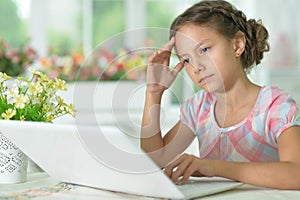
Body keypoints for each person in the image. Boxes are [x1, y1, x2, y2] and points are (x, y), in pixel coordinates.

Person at [140, 0, 300, 190]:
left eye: (205, 49)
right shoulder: (199, 108)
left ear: (237, 45)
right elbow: (155, 160)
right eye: (186, 59)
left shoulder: (275, 105)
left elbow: (296, 174)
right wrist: (153, 93)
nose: (197, 66)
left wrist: (214, 167)